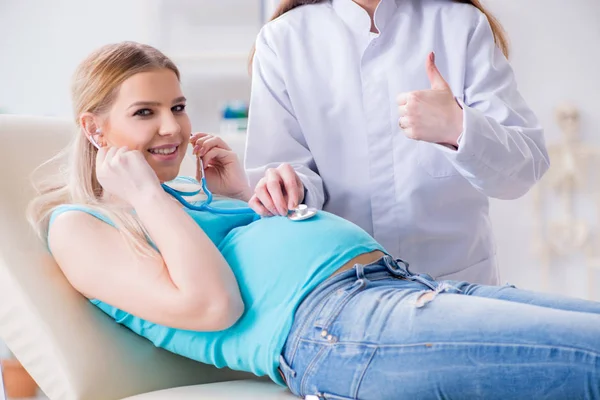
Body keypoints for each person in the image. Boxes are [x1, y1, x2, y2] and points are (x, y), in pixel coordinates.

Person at [28, 42, 599, 400]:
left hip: (400, 288)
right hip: (343, 332)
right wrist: (150, 197)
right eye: (145, 113)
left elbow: (245, 264)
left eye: (177, 107)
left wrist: (239, 198)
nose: (173, 128)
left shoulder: (186, 199)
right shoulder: (78, 225)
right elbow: (213, 306)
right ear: (96, 128)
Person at [244, 0, 550, 285]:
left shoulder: (460, 25)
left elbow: (523, 169)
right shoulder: (282, 40)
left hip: (457, 286)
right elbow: (281, 169)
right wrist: (287, 188)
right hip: (342, 289)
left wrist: (457, 126)